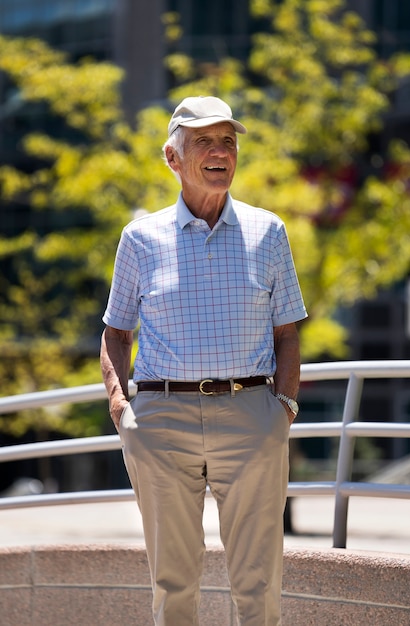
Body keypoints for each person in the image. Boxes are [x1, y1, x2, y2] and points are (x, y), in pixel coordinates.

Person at [100, 95, 307, 626]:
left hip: (253, 415)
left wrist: (283, 407)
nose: (220, 152)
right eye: (204, 142)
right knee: (173, 579)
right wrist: (122, 407)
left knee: (258, 579)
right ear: (173, 158)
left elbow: (288, 332)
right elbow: (116, 332)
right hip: (161, 421)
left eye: (228, 142)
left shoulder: (269, 232)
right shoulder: (140, 239)